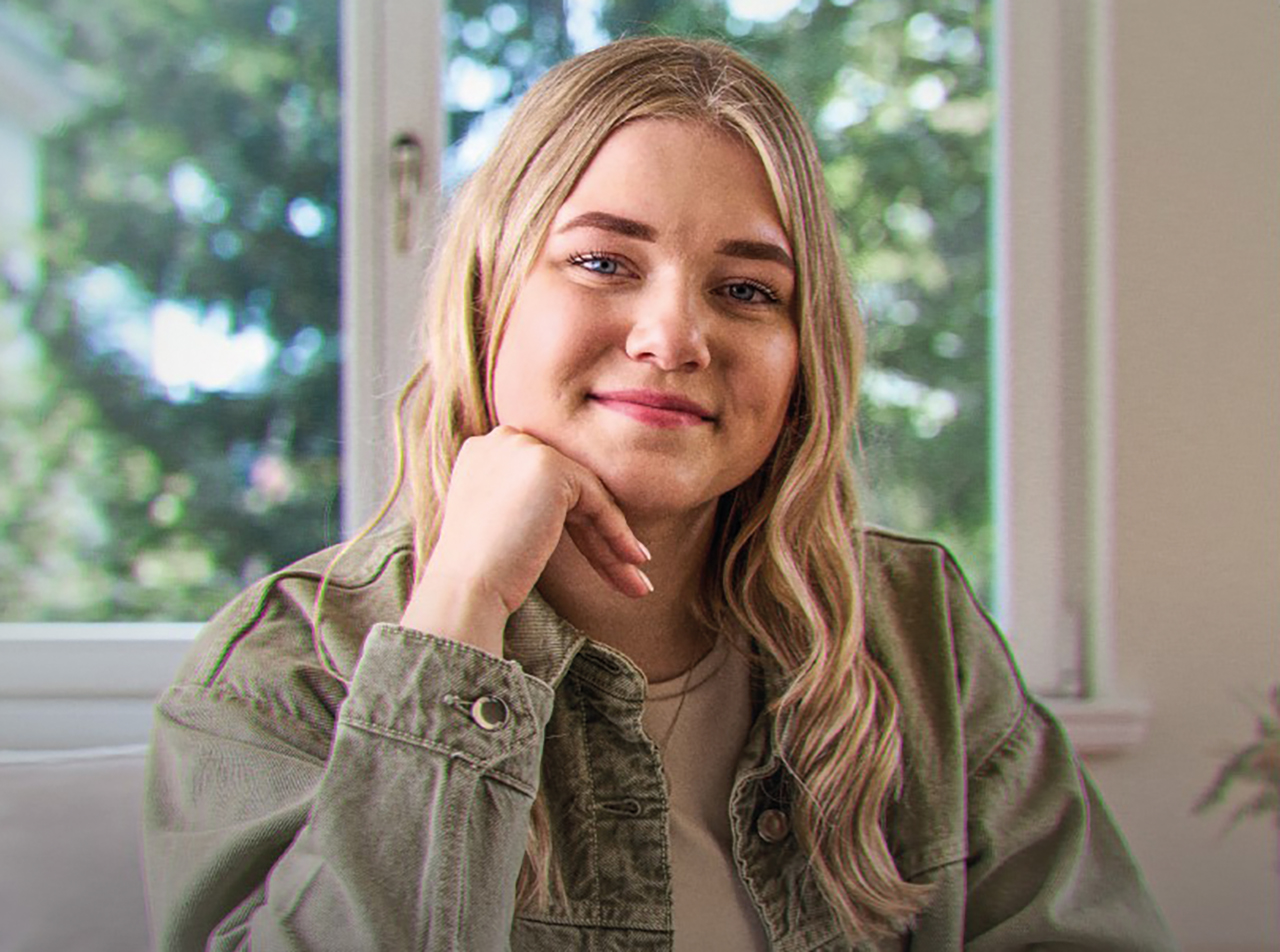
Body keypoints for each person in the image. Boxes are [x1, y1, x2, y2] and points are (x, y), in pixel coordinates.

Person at [143, 35, 1175, 951]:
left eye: (745, 290)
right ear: (483, 297)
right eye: (601, 261)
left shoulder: (916, 632)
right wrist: (458, 612)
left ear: (801, 354)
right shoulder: (284, 667)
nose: (673, 336)